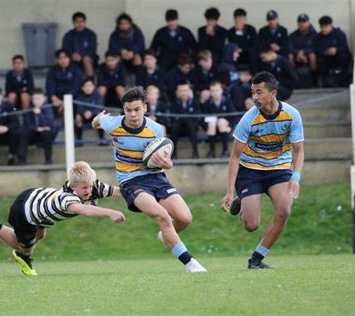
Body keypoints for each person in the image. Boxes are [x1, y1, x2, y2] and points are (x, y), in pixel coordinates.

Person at [91, 86, 206, 273]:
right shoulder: (113, 124)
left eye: (137, 109)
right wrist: (96, 120)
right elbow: (96, 122)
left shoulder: (156, 129)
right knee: (163, 216)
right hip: (130, 182)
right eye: (128, 110)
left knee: (184, 219)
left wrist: (168, 164)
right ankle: (190, 263)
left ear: (145, 107)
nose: (133, 114)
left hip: (156, 177)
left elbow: (162, 161)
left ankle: (166, 235)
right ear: (124, 110)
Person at [0, 160, 126, 276]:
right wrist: (110, 212)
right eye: (84, 188)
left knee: (41, 235)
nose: (89, 191)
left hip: (33, 197)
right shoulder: (67, 198)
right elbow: (83, 210)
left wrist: (141, 194)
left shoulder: (90, 185)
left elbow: (117, 191)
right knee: (23, 247)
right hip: (24, 213)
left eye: (90, 186)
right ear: (73, 187)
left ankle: (22, 252)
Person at [221, 71, 304, 269]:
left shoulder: (292, 115)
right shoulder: (248, 119)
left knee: (284, 211)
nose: (255, 98)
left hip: (279, 170)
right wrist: (230, 191)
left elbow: (299, 151)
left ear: (272, 93)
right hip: (250, 171)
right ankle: (242, 200)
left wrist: (296, 177)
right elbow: (235, 156)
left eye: (259, 92)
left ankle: (256, 259)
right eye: (253, 93)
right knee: (251, 226)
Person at [18, 88, 55, 165]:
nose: (36, 101)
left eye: (38, 98)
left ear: (44, 99)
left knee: (47, 133)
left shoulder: (48, 109)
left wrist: (39, 114)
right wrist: (36, 128)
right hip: (33, 132)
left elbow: (49, 123)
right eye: (34, 99)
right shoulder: (29, 110)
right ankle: (21, 159)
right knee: (24, 133)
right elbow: (26, 124)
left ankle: (48, 159)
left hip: (44, 134)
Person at [201, 81, 235, 158]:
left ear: (221, 90)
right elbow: (203, 118)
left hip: (224, 129)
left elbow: (234, 116)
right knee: (212, 122)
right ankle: (212, 151)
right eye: (212, 90)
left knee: (221, 121)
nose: (215, 92)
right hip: (212, 130)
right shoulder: (208, 103)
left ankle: (225, 150)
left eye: (217, 90)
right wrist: (206, 129)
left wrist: (230, 126)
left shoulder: (227, 101)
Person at [315, 16, 352, 87]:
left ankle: (343, 78)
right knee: (320, 60)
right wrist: (325, 52)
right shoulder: (319, 37)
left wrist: (336, 50)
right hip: (326, 59)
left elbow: (344, 48)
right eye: (321, 27)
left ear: (331, 25)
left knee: (343, 56)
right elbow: (317, 49)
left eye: (325, 26)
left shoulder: (339, 34)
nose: (323, 29)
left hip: (339, 58)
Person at [45, 49, 83, 115]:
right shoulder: (52, 70)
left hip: (72, 97)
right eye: (60, 58)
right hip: (57, 97)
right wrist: (53, 97)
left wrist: (65, 102)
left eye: (65, 57)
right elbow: (50, 85)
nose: (63, 60)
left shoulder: (76, 69)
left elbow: (76, 86)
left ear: (69, 58)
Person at [169, 80, 200, 159]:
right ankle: (173, 154)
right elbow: (172, 118)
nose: (183, 93)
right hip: (178, 128)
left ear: (189, 91)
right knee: (174, 126)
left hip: (191, 128)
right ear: (177, 92)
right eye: (181, 91)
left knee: (190, 124)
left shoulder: (194, 102)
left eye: (185, 90)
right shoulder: (174, 103)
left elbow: (197, 117)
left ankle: (195, 153)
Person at [62, 12, 98, 78]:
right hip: (72, 58)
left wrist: (81, 55)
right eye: (77, 22)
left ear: (85, 22)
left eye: (82, 21)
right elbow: (65, 49)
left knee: (86, 59)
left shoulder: (91, 34)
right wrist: (72, 54)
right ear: (73, 23)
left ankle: (90, 82)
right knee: (63, 59)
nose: (80, 24)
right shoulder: (68, 35)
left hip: (88, 58)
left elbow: (93, 50)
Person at [288, 14, 318, 88]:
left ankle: (314, 80)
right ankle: (293, 80)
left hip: (308, 56)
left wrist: (304, 52)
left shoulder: (314, 34)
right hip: (297, 57)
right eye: (300, 22)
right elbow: (289, 47)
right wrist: (298, 53)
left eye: (304, 22)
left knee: (312, 55)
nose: (302, 24)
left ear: (308, 22)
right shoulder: (293, 35)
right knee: (290, 56)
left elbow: (316, 47)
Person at [227, 8, 259, 75]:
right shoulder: (231, 31)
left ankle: (253, 75)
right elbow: (232, 44)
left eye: (242, 19)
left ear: (245, 19)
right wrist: (238, 32)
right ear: (235, 19)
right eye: (238, 19)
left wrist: (242, 49)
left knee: (253, 51)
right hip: (237, 54)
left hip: (248, 53)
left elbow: (254, 43)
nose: (240, 21)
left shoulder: (251, 29)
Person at [74, 78, 106, 145]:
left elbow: (100, 107)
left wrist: (91, 112)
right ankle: (79, 140)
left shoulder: (98, 95)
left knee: (101, 116)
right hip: (83, 116)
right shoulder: (79, 96)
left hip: (94, 116)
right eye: (86, 86)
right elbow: (78, 107)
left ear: (94, 87)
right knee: (77, 117)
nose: (88, 88)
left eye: (90, 86)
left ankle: (102, 139)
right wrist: (84, 112)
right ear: (82, 88)